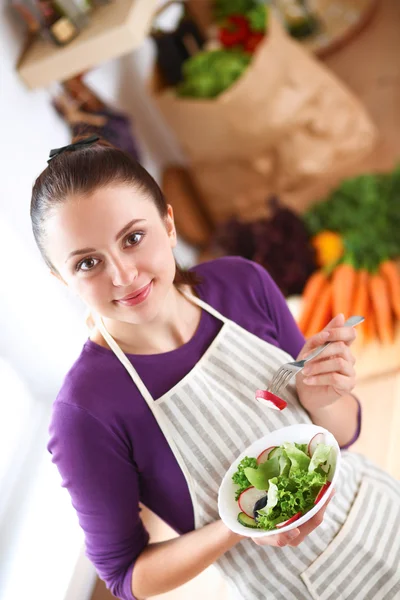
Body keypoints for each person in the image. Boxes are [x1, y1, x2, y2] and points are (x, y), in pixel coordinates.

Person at [30, 136, 400, 600]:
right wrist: (238, 525)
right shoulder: (86, 412)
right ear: (62, 279)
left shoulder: (242, 283)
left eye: (133, 237)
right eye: (88, 262)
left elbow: (342, 437)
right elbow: (126, 578)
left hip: (383, 515)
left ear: (168, 223)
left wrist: (324, 395)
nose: (123, 275)